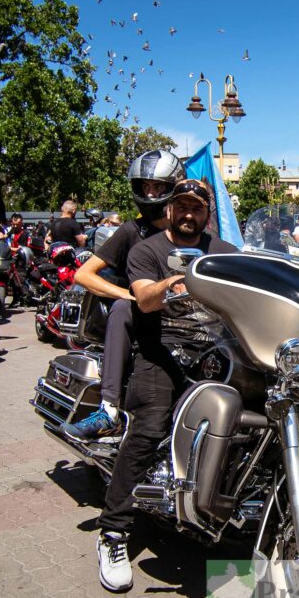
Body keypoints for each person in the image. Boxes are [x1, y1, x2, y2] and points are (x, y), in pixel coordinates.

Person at [95, 178, 236, 592]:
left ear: (208, 213)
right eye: (182, 206)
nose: (189, 213)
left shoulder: (224, 253)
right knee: (151, 425)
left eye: (197, 207)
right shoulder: (148, 250)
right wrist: (172, 283)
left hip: (218, 350)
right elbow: (143, 299)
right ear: (170, 210)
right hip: (163, 351)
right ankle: (113, 532)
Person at [62, 150, 185, 440]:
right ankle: (109, 409)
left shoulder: (188, 228)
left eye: (158, 187)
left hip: (189, 317)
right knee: (121, 309)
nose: (151, 193)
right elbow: (84, 274)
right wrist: (127, 296)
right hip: (148, 316)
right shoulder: (132, 231)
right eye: (146, 187)